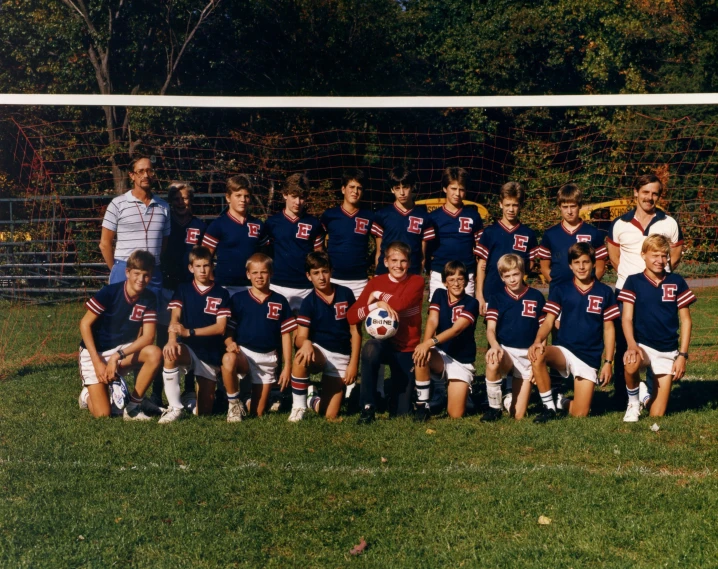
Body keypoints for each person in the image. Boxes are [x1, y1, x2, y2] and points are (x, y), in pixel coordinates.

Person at [606, 173, 684, 403]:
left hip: (657, 292)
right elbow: (614, 257)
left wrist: (656, 277)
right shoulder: (620, 224)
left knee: (655, 337)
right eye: (646, 192)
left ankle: (652, 387)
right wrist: (635, 281)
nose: (650, 197)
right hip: (626, 291)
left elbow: (675, 255)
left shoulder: (669, 222)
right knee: (625, 342)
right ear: (636, 193)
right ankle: (624, 396)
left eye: (655, 193)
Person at [528, 243, 620, 421]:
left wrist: (608, 362)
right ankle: (549, 408)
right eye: (577, 262)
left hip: (588, 355)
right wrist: (538, 340)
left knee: (580, 413)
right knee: (538, 354)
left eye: (586, 262)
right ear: (570, 265)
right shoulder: (561, 289)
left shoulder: (605, 292)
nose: (581, 267)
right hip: (564, 350)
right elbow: (548, 321)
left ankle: (561, 401)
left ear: (593, 264)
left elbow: (609, 329)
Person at [618, 235, 696, 421]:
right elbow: (627, 318)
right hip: (643, 345)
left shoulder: (676, 281)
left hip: (667, 350)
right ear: (643, 254)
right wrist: (631, 344)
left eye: (664, 256)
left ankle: (644, 396)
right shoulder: (633, 281)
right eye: (655, 255)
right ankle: (633, 403)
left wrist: (682, 356)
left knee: (657, 414)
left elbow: (686, 320)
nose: (660, 261)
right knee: (631, 362)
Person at [77, 250, 162, 420]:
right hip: (95, 352)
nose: (141, 279)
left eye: (146, 275)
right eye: (136, 273)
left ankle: (133, 406)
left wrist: (117, 356)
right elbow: (84, 324)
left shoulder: (149, 297)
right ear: (127, 272)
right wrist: (97, 362)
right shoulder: (110, 292)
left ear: (151, 275)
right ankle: (87, 394)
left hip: (121, 350)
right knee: (103, 414)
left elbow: (148, 337)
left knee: (154, 353)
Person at [347, 241, 426, 423]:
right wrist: (375, 305)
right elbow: (352, 316)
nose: (398, 265)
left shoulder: (417, 281)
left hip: (407, 347)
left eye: (403, 261)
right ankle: (368, 406)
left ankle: (399, 398)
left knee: (401, 413)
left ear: (409, 263)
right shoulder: (376, 282)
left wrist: (379, 295)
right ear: (385, 261)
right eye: (394, 260)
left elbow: (400, 304)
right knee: (370, 349)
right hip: (383, 345)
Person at [159, 246, 231, 423]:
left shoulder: (221, 292)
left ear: (212, 266)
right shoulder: (183, 289)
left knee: (204, 412)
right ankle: (175, 407)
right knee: (170, 351)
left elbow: (220, 328)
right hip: (189, 349)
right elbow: (175, 316)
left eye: (206, 265)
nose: (202, 270)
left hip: (210, 354)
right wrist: (171, 339)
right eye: (198, 266)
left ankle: (190, 403)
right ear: (191, 268)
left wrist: (189, 332)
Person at [221, 253, 296, 420]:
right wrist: (229, 343)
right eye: (254, 273)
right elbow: (229, 332)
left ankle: (247, 399)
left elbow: (286, 335)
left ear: (271, 273)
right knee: (228, 359)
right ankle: (233, 404)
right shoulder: (239, 299)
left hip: (268, 358)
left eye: (263, 272)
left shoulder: (280, 301)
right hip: (244, 354)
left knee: (257, 413)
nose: (259, 277)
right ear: (248, 274)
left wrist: (287, 366)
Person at [152, 181, 207, 409]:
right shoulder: (164, 223)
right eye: (176, 199)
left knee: (189, 340)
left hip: (191, 291)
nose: (181, 203)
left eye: (185, 198)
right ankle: (156, 393)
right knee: (164, 339)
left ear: (191, 200)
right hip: (167, 287)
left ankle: (188, 391)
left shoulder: (200, 225)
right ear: (170, 201)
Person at [291, 252, 362, 421]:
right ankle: (298, 406)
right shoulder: (309, 301)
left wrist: (353, 364)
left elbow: (355, 331)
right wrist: (306, 343)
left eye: (325, 271)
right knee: (301, 357)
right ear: (309, 276)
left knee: (329, 414)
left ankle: (312, 399)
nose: (321, 277)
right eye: (316, 273)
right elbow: (300, 337)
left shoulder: (345, 294)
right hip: (319, 352)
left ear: (331, 271)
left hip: (341, 355)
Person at [413, 261, 480, 419]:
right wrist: (425, 345)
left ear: (466, 280)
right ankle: (423, 405)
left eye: (460, 279)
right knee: (422, 355)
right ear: (445, 282)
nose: (456, 283)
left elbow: (456, 329)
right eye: (451, 279)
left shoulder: (472, 303)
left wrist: (429, 343)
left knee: (455, 414)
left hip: (461, 361)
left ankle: (462, 393)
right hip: (441, 353)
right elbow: (432, 321)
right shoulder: (439, 294)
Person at [482, 254, 546, 421]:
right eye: (507, 276)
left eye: (515, 274)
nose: (512, 279)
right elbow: (490, 329)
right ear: (502, 277)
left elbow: (543, 331)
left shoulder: (536, 296)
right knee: (493, 360)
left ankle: (508, 398)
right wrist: (495, 346)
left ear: (522, 272)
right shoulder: (496, 297)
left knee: (517, 415)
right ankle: (494, 408)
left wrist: (538, 361)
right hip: (506, 351)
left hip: (527, 354)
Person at [99, 155, 170, 297]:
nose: (146, 175)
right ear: (132, 175)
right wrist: (117, 269)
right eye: (141, 171)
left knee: (151, 316)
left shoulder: (164, 206)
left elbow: (164, 242)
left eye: (149, 171)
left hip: (152, 272)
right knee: (121, 316)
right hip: (125, 270)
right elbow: (105, 243)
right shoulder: (118, 204)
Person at [476, 181, 538, 316]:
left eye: (515, 205)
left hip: (518, 293)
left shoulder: (528, 233)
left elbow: (530, 265)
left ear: (520, 205)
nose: (511, 209)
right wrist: (479, 295)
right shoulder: (489, 232)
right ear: (500, 204)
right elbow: (481, 265)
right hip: (492, 292)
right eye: (507, 205)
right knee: (493, 333)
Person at [265, 173, 325, 311]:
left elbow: (319, 257)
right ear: (285, 194)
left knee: (306, 330)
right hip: (277, 284)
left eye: (302, 197)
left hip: (305, 286)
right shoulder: (271, 223)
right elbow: (264, 255)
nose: (298, 202)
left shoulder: (314, 224)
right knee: (276, 330)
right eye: (294, 196)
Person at [202, 175, 269, 297]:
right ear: (228, 197)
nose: (243, 200)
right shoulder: (217, 225)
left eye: (246, 196)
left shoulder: (258, 224)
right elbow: (205, 258)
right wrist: (212, 283)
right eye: (238, 196)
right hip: (225, 286)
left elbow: (266, 255)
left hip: (252, 287)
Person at [537, 183, 607, 292]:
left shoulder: (593, 232)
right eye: (565, 207)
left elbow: (600, 268)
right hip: (558, 294)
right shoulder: (550, 234)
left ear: (580, 206)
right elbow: (544, 268)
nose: (569, 211)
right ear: (559, 207)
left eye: (573, 206)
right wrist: (558, 287)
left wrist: (588, 288)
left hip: (586, 294)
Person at [427, 167, 483, 299]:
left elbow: (480, 251)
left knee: (465, 315)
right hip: (439, 272)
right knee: (437, 315)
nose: (457, 193)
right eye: (453, 188)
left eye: (461, 189)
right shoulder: (432, 217)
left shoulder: (474, 216)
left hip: (465, 273)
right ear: (445, 188)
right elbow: (426, 249)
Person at [320, 169, 375, 299]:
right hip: (333, 278)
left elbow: (381, 245)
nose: (355, 192)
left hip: (359, 280)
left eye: (359, 188)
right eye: (351, 187)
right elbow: (317, 242)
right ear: (343, 189)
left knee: (356, 319)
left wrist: (368, 263)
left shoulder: (369, 216)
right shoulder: (329, 215)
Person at [372, 165, 434, 277]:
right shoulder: (382, 215)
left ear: (412, 187)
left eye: (405, 187)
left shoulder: (424, 217)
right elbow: (378, 252)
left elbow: (422, 256)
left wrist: (419, 273)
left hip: (411, 272)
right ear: (392, 189)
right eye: (397, 188)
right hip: (385, 272)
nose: (402, 192)